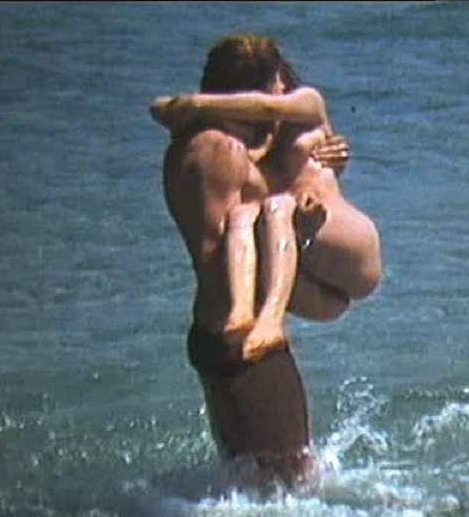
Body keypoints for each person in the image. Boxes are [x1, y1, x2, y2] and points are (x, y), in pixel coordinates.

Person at [151, 34, 381, 488]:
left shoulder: (195, 147)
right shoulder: (225, 152)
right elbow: (225, 255)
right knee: (294, 483)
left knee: (244, 484)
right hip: (251, 347)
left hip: (211, 337)